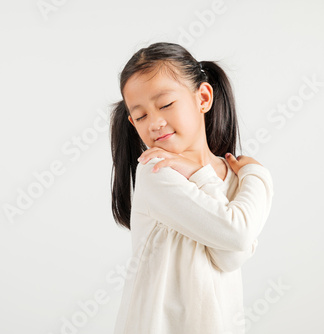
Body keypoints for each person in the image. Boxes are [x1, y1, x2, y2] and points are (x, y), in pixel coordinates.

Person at [109, 42, 274, 333]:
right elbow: (237, 233)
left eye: (165, 105)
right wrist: (259, 176)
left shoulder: (233, 177)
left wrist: (201, 173)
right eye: (142, 115)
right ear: (132, 122)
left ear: (203, 98)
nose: (155, 123)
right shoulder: (156, 169)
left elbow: (229, 255)